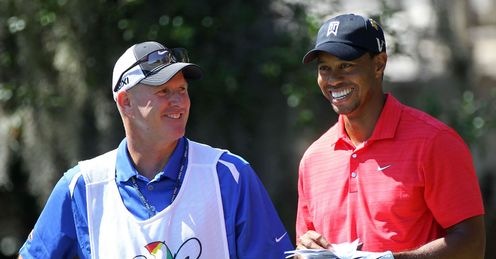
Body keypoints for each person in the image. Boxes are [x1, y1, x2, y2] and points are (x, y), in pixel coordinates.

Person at [19, 41, 293, 258]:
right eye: (163, 92)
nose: (179, 102)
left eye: (182, 89)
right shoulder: (82, 185)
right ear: (125, 102)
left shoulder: (230, 175)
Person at [296, 14, 486, 258]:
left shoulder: (435, 142)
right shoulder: (314, 159)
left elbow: (472, 244)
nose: (333, 79)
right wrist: (306, 249)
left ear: (379, 64)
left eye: (346, 65)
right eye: (325, 68)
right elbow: (304, 245)